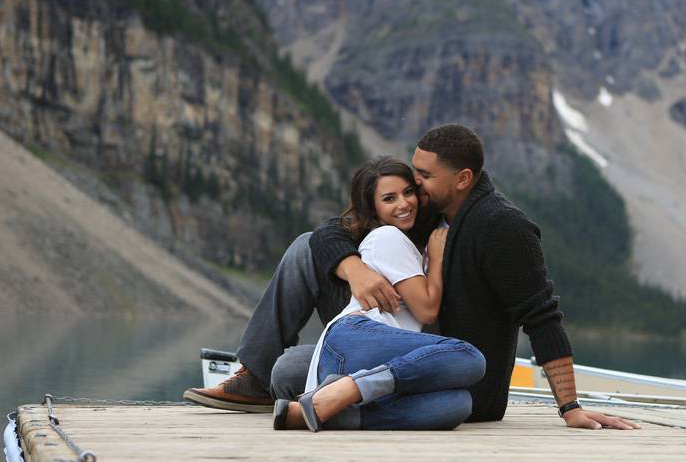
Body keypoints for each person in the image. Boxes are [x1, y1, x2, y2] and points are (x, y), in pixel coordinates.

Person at [185, 123, 638, 431]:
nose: (413, 189)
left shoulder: (502, 227)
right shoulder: (425, 214)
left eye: (422, 176)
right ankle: (256, 377)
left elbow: (542, 316)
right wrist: (353, 268)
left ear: (461, 179)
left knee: (296, 372)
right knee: (306, 253)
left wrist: (570, 407)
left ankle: (328, 403)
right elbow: (330, 231)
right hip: (388, 338)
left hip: (442, 363)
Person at [273, 155, 485, 430]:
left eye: (408, 192)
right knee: (470, 357)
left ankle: (332, 411)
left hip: (361, 359)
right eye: (389, 198)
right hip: (353, 339)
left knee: (456, 403)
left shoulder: (407, 246)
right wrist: (436, 259)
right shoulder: (387, 238)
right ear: (372, 208)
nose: (403, 203)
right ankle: (349, 389)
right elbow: (427, 310)